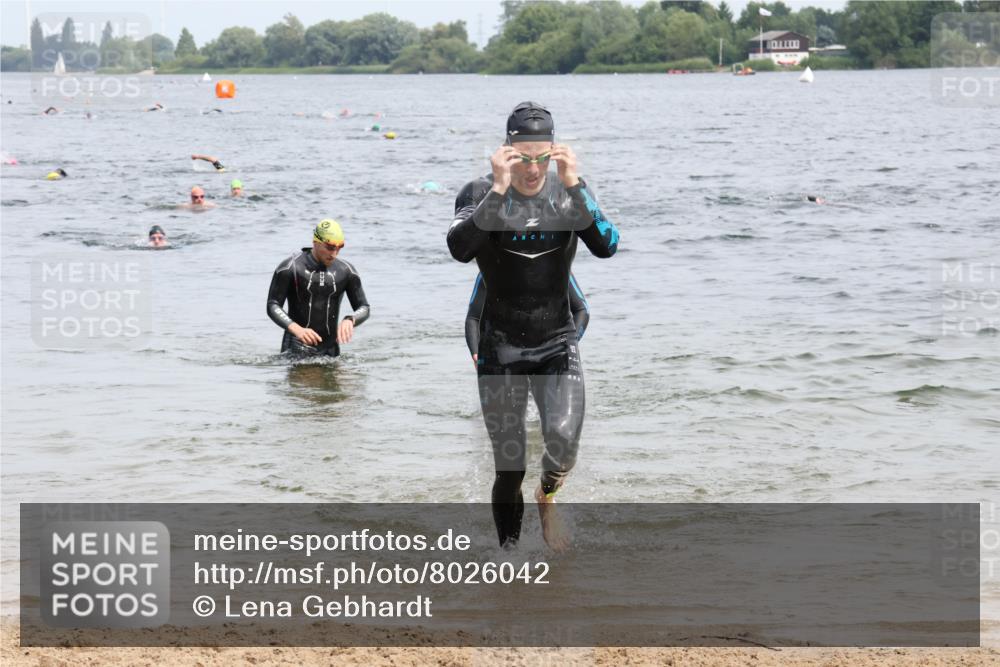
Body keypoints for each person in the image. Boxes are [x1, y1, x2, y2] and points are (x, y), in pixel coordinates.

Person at [447, 101, 619, 551]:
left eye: (542, 156)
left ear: (555, 152)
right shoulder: (478, 192)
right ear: (507, 151)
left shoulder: (568, 194)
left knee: (562, 445)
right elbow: (460, 249)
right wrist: (499, 190)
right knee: (509, 469)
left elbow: (607, 245)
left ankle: (547, 498)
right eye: (523, 156)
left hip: (556, 342)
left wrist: (575, 183)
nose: (532, 167)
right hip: (500, 347)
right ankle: (509, 557)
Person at [266, 219, 370, 358]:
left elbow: (364, 307)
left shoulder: (346, 271)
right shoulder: (290, 267)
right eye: (330, 247)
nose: (334, 253)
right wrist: (297, 329)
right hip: (296, 347)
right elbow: (273, 305)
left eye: (339, 247)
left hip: (331, 351)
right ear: (315, 242)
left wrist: (350, 319)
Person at [466, 273, 589, 367]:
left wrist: (570, 343)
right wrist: (476, 354)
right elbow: (473, 318)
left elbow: (582, 310)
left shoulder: (556, 263)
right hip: (506, 355)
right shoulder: (490, 268)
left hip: (551, 353)